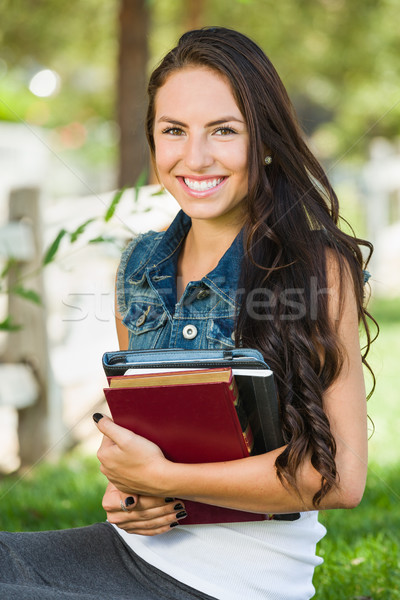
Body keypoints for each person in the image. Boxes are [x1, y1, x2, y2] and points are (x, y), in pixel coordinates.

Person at [0, 27, 375, 600]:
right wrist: (129, 491)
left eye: (223, 131)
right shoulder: (139, 267)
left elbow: (340, 478)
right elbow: (139, 442)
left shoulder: (317, 268)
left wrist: (165, 480)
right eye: (173, 130)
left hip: (235, 586)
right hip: (129, 555)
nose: (194, 157)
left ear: (265, 140)